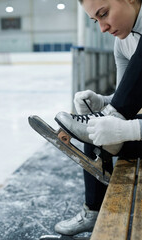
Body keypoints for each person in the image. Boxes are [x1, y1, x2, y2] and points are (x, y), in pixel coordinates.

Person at [54, 0, 142, 236]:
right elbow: (130, 95)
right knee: (95, 129)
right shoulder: (122, 43)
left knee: (106, 125)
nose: (102, 27)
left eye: (104, 14)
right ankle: (92, 211)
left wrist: (127, 131)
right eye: (96, 20)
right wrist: (103, 102)